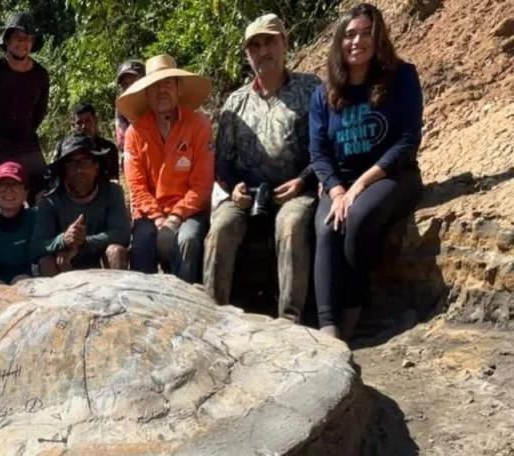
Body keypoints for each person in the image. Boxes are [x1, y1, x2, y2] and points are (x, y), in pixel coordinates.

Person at [310, 3, 424, 340]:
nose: (356, 41)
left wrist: (358, 186)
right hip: (339, 185)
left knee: (357, 217)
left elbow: (407, 139)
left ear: (378, 39)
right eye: (349, 34)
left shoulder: (402, 77)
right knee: (328, 228)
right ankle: (327, 333)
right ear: (339, 42)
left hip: (392, 176)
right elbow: (317, 151)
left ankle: (350, 322)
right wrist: (336, 190)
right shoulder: (324, 93)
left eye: (365, 33)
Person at [204, 14, 322, 322]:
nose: (263, 50)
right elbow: (223, 161)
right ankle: (212, 317)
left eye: (270, 41)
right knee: (219, 228)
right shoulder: (235, 102)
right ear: (247, 55)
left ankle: (289, 320)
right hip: (247, 195)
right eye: (254, 46)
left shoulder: (311, 90)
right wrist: (234, 188)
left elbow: (325, 146)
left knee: (292, 225)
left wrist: (303, 180)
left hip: (295, 190)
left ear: (285, 43)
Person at [117, 55, 214, 284]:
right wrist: (160, 219)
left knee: (187, 240)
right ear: (147, 93)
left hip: (189, 211)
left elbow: (202, 184)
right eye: (155, 85)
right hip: (149, 214)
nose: (162, 90)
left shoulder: (199, 125)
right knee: (141, 244)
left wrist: (175, 217)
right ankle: (143, 308)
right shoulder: (134, 133)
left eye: (168, 83)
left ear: (178, 88)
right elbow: (137, 187)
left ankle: (187, 307)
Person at [0, 12, 50, 205]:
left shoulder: (41, 74)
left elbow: (40, 111)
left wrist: (25, 129)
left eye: (28, 38)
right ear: (6, 40)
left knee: (46, 194)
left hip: (28, 140)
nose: (23, 43)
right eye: (18, 38)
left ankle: (42, 233)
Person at [31, 133, 131, 276]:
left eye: (84, 162)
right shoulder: (51, 201)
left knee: (116, 251)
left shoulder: (112, 192)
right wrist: (63, 240)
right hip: (64, 267)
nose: (78, 170)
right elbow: (35, 248)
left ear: (96, 167)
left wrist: (81, 244)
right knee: (45, 261)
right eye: (72, 164)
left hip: (102, 263)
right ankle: (57, 298)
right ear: (64, 170)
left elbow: (122, 233)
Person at [53, 103, 120, 182]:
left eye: (88, 121)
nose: (84, 126)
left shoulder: (108, 148)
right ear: (73, 125)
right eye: (79, 123)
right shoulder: (64, 147)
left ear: (95, 121)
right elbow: (55, 177)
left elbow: (113, 180)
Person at [114, 60, 145, 152]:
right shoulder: (121, 107)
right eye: (125, 84)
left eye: (133, 82)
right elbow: (122, 140)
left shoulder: (157, 102)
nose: (129, 87)